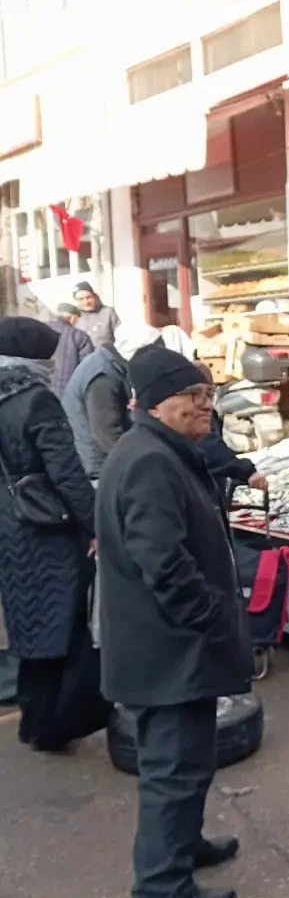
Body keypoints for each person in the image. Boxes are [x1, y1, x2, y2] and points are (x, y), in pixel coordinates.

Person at [96, 344, 252, 898]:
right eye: (195, 396)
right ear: (158, 403)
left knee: (189, 758)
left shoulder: (160, 450)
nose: (207, 406)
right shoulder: (149, 462)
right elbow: (163, 562)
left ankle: (184, 846)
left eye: (209, 394)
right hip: (169, 648)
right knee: (173, 768)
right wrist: (211, 617)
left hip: (172, 645)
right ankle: (162, 891)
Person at [0, 318, 100, 752]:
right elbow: (67, 473)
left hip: (8, 526)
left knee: (28, 623)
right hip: (46, 529)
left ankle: (33, 719)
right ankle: (54, 724)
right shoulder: (36, 399)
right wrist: (95, 524)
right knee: (63, 623)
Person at [61, 324, 159, 478]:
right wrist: (138, 462)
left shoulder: (112, 365)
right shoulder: (103, 376)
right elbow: (107, 432)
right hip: (99, 468)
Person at [191, 361, 268, 498]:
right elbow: (210, 449)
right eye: (203, 394)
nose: (208, 404)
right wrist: (246, 471)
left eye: (210, 393)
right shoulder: (194, 414)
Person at [47, 303, 94, 397]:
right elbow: (88, 367)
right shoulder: (79, 336)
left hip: (40, 388)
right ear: (72, 317)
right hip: (68, 391)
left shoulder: (39, 329)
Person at [72, 280, 121, 348]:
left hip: (106, 353)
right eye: (81, 299)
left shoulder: (108, 313)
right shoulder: (73, 317)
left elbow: (121, 338)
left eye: (88, 297)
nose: (86, 302)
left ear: (94, 296)